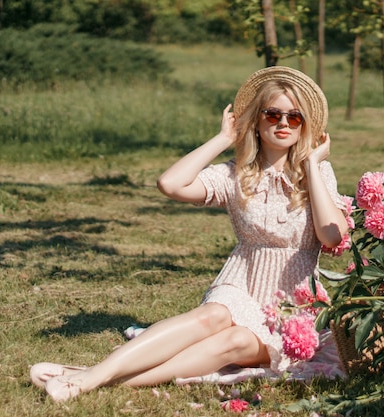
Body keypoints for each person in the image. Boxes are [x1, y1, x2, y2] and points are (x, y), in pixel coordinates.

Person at [29, 66, 349, 402]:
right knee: (213, 316)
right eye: (273, 114)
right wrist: (225, 138)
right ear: (257, 120)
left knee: (236, 341)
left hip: (292, 304)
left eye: (294, 117)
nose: (283, 124)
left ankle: (88, 378)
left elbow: (331, 236)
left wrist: (312, 164)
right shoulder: (235, 175)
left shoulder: (318, 174)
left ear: (304, 126)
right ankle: (90, 378)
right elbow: (170, 184)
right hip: (240, 283)